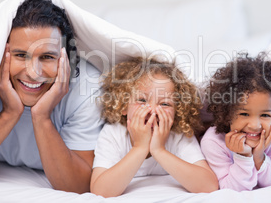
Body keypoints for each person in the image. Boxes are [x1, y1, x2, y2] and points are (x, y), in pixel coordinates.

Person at [0, 0, 104, 193]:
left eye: (47, 57)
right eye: (20, 55)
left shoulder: (86, 88)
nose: (33, 72)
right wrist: (10, 112)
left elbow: (78, 185)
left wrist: (41, 117)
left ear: (66, 60)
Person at [90, 57, 218, 197]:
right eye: (142, 100)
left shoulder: (179, 135)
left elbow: (209, 186)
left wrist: (159, 150)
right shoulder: (113, 134)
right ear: (123, 106)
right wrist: (140, 147)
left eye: (164, 104)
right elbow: (100, 191)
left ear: (177, 112)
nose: (152, 110)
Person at [200, 55, 271, 191]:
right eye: (244, 114)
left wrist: (259, 157)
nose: (255, 125)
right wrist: (243, 156)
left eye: (265, 115)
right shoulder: (213, 142)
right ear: (226, 112)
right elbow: (230, 188)